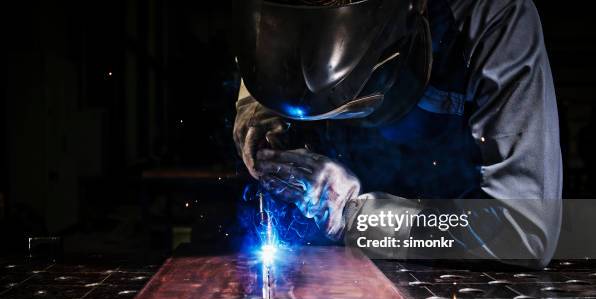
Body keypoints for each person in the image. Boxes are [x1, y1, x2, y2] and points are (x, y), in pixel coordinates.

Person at [233, 0, 562, 267]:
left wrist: (355, 214)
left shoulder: (495, 18)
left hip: (448, 269)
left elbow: (522, 233)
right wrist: (260, 107)